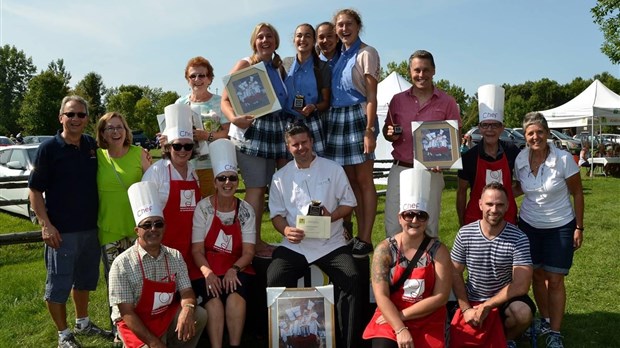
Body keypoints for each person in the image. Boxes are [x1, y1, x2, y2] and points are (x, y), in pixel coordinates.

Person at [266, 122, 361, 348]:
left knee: (352, 277)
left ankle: (347, 341)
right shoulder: (280, 177)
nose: (301, 148)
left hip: (331, 243)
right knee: (274, 278)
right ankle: (282, 340)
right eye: (295, 144)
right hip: (296, 246)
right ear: (288, 147)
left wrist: (333, 216)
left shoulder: (333, 169)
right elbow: (276, 216)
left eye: (304, 142)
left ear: (312, 141)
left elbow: (349, 204)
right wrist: (286, 230)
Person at [28, 95, 112, 347]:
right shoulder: (49, 149)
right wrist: (46, 225)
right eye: (71, 114)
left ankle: (83, 323)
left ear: (87, 119)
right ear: (61, 117)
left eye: (81, 115)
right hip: (61, 231)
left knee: (84, 280)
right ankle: (63, 334)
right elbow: (34, 191)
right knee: (58, 284)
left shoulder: (91, 145)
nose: (76, 119)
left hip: (90, 229)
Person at [514, 112, 584, 348]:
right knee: (535, 274)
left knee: (554, 280)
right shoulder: (521, 159)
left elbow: (577, 193)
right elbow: (520, 188)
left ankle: (555, 331)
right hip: (529, 226)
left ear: (547, 133)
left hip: (560, 227)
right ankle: (544, 320)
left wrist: (579, 226)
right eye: (530, 133)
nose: (536, 137)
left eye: (540, 132)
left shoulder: (563, 159)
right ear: (525, 136)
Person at [109, 181, 207, 348]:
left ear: (164, 227)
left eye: (158, 224)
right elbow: (126, 313)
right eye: (147, 225)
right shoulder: (121, 264)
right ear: (137, 231)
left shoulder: (174, 255)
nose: (153, 229)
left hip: (164, 316)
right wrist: (154, 343)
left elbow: (187, 290)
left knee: (200, 314)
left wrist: (188, 309)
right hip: (135, 324)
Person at [363, 169, 452, 348]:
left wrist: (403, 316)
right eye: (408, 214)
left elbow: (441, 297)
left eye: (421, 215)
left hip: (428, 317)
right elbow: (381, 296)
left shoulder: (439, 251)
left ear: (427, 219)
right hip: (389, 316)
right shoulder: (384, 249)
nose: (414, 220)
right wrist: (399, 327)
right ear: (400, 217)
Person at [221, 22, 288, 257]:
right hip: (252, 133)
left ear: (276, 41)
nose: (265, 40)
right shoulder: (246, 64)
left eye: (270, 36)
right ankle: (251, 244)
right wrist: (234, 119)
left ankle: (264, 240)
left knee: (273, 189)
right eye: (261, 37)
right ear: (254, 41)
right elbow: (225, 100)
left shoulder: (279, 68)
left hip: (276, 133)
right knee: (256, 189)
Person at [383, 50, 461, 239]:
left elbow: (454, 138)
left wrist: (443, 161)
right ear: (410, 71)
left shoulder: (447, 102)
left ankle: (428, 267)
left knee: (429, 226)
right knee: (394, 225)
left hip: (431, 171)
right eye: (417, 70)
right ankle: (396, 267)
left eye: (426, 70)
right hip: (401, 169)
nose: (421, 75)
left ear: (434, 71)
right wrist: (390, 133)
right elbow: (388, 130)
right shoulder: (397, 100)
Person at [450, 182, 534, 348]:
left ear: (508, 206)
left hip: (503, 301)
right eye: (489, 204)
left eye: (500, 205)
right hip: (472, 297)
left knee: (522, 313)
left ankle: (507, 338)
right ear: (480, 204)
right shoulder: (465, 233)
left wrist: (488, 305)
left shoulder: (519, 238)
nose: (494, 210)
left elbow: (521, 285)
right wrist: (466, 308)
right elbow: (454, 272)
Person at [325, 8, 380, 257]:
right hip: (337, 117)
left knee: (364, 180)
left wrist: (369, 130)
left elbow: (371, 96)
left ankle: (365, 237)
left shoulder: (366, 53)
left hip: (358, 116)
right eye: (340, 25)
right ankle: (348, 233)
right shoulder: (337, 56)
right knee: (347, 183)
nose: (344, 29)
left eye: (348, 24)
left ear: (358, 26)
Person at [191, 139, 256, 348]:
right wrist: (208, 273)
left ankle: (235, 344)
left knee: (236, 297)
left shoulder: (246, 210)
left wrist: (234, 269)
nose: (227, 183)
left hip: (237, 264)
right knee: (214, 300)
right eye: (222, 179)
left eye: (232, 178)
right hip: (207, 265)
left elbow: (249, 251)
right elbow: (197, 250)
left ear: (238, 181)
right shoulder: (203, 208)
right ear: (216, 181)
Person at [96, 111, 152, 340]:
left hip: (137, 228)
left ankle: (141, 323)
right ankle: (119, 329)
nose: (116, 132)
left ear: (126, 130)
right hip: (109, 228)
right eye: (110, 128)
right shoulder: (97, 156)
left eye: (120, 127)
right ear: (102, 133)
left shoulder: (140, 154)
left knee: (140, 278)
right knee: (115, 281)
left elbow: (153, 185)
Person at [142, 105, 202, 281]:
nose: (183, 151)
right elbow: (145, 218)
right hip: (163, 250)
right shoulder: (156, 172)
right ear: (168, 147)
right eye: (177, 146)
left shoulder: (193, 172)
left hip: (190, 249)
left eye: (188, 146)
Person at [456, 85, 519, 227]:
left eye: (495, 125)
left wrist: (504, 198)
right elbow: (461, 192)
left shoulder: (512, 151)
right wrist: (462, 222)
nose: (490, 130)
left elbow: (523, 183)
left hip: (506, 217)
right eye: (485, 125)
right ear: (479, 128)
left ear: (502, 128)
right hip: (475, 219)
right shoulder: (469, 157)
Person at [176, 56, 230, 199]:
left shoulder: (220, 102)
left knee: (212, 208)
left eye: (202, 75)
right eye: (192, 76)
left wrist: (206, 136)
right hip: (186, 168)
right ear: (188, 79)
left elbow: (228, 132)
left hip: (213, 166)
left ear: (210, 79)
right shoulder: (180, 103)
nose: (197, 79)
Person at [283, 23, 331, 156]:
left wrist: (313, 107)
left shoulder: (322, 67)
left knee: (317, 165)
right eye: (299, 36)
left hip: (312, 122)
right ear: (294, 40)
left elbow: (326, 102)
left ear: (314, 41)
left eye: (307, 36)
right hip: (288, 121)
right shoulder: (285, 64)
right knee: (287, 166)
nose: (303, 39)